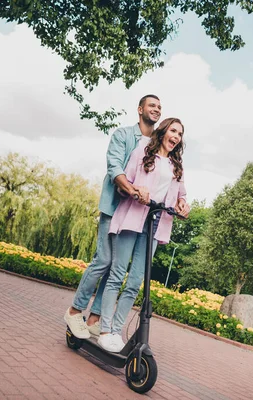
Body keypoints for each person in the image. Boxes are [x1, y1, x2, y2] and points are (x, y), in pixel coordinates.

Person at [65, 95, 189, 338]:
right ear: (140, 109)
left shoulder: (158, 144)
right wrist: (133, 190)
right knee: (105, 261)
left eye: (160, 107)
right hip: (116, 206)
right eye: (152, 105)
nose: (156, 109)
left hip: (140, 213)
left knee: (117, 268)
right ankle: (74, 311)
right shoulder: (124, 136)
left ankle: (95, 318)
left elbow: (170, 183)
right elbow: (116, 169)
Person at [97, 117, 189, 352]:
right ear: (163, 131)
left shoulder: (175, 166)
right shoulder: (142, 152)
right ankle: (104, 329)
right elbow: (122, 184)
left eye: (180, 134)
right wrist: (136, 189)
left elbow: (181, 194)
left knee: (135, 281)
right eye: (173, 131)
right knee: (117, 274)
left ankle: (116, 331)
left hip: (155, 222)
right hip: (132, 216)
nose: (176, 137)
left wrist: (182, 205)